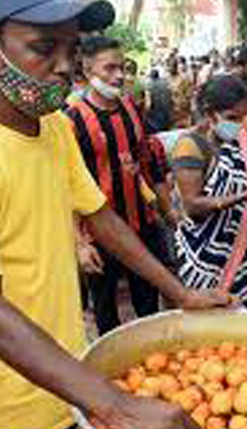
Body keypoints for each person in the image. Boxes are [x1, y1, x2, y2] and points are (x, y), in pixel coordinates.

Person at [0, 0, 234, 429]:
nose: (63, 66)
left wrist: (181, 293)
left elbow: (101, 217)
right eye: (43, 47)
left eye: (70, 49)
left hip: (70, 380)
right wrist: (115, 404)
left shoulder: (54, 127)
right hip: (8, 410)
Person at [66, 36, 176, 335]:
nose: (119, 76)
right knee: (105, 309)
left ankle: (154, 355)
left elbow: (149, 162)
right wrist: (80, 243)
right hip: (99, 231)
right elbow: (68, 187)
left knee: (148, 302)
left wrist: (167, 210)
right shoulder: (73, 120)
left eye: (122, 67)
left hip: (142, 224)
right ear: (87, 69)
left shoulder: (131, 108)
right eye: (109, 68)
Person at [172, 75, 247, 311]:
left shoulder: (235, 142)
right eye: (232, 118)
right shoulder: (191, 146)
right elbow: (192, 205)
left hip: (238, 249)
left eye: (243, 116)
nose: (239, 124)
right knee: (209, 320)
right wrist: (243, 197)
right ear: (210, 114)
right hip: (204, 254)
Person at [144, 68, 173, 134]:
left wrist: (145, 114)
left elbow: (148, 104)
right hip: (166, 114)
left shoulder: (149, 85)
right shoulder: (165, 83)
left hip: (155, 116)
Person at [168, 56, 194, 128]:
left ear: (176, 66)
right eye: (169, 66)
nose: (170, 68)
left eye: (172, 66)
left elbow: (189, 94)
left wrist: (184, 103)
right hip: (172, 111)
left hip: (182, 110)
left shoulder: (184, 78)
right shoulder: (167, 79)